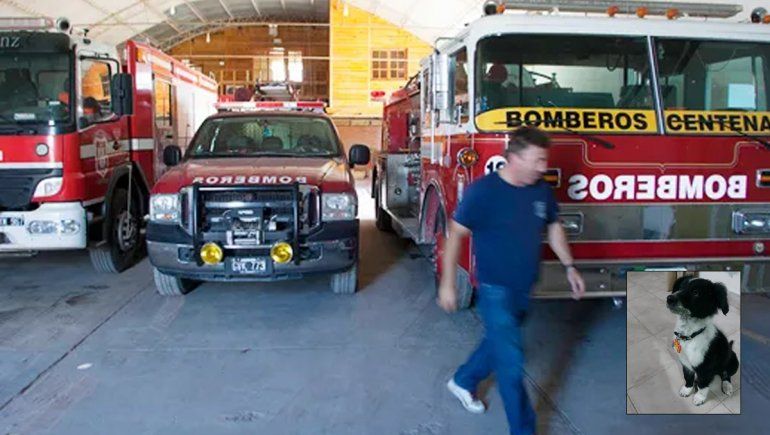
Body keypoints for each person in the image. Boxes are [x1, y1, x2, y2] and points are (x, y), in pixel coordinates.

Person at [438, 126, 586, 435]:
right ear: (515, 158)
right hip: (494, 290)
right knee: (511, 363)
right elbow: (456, 236)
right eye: (539, 160)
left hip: (525, 286)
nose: (544, 167)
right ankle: (524, 429)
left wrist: (570, 266)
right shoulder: (483, 192)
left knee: (498, 343)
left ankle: (463, 380)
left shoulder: (540, 190)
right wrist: (448, 282)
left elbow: (554, 227)